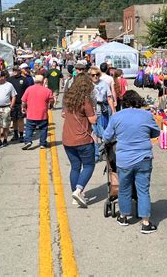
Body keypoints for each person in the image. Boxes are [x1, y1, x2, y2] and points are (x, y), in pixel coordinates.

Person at [103, 90, 160, 233]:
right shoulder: (147, 115)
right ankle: (145, 223)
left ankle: (123, 216)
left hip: (124, 160)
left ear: (124, 102)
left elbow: (106, 137)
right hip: (143, 158)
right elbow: (156, 132)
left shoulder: (117, 117)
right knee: (143, 190)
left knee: (124, 188)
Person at [62, 73, 97, 208]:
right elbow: (93, 120)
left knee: (75, 167)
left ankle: (74, 195)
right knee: (89, 165)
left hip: (67, 138)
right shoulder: (85, 100)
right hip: (83, 139)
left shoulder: (69, 99)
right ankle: (78, 190)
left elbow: (64, 114)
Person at [21, 75, 54, 150]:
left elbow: (23, 101)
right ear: (43, 81)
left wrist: (24, 107)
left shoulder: (29, 89)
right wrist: (51, 106)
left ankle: (28, 141)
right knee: (43, 129)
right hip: (42, 114)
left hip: (31, 113)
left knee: (29, 128)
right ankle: (42, 143)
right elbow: (51, 101)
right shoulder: (47, 90)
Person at [90, 66, 114, 162]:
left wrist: (113, 110)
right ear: (90, 76)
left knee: (103, 131)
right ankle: (96, 154)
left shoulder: (104, 84)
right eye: (93, 75)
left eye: (97, 75)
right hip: (91, 111)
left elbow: (109, 97)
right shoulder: (87, 85)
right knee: (94, 132)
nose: (95, 76)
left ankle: (106, 151)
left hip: (103, 110)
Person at [8, 66, 29, 143]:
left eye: (16, 70)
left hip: (21, 103)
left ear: (20, 71)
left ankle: (21, 135)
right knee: (14, 119)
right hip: (12, 103)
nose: (15, 71)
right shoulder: (9, 80)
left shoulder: (24, 79)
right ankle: (15, 134)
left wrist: (26, 102)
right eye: (14, 70)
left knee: (20, 119)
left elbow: (27, 91)